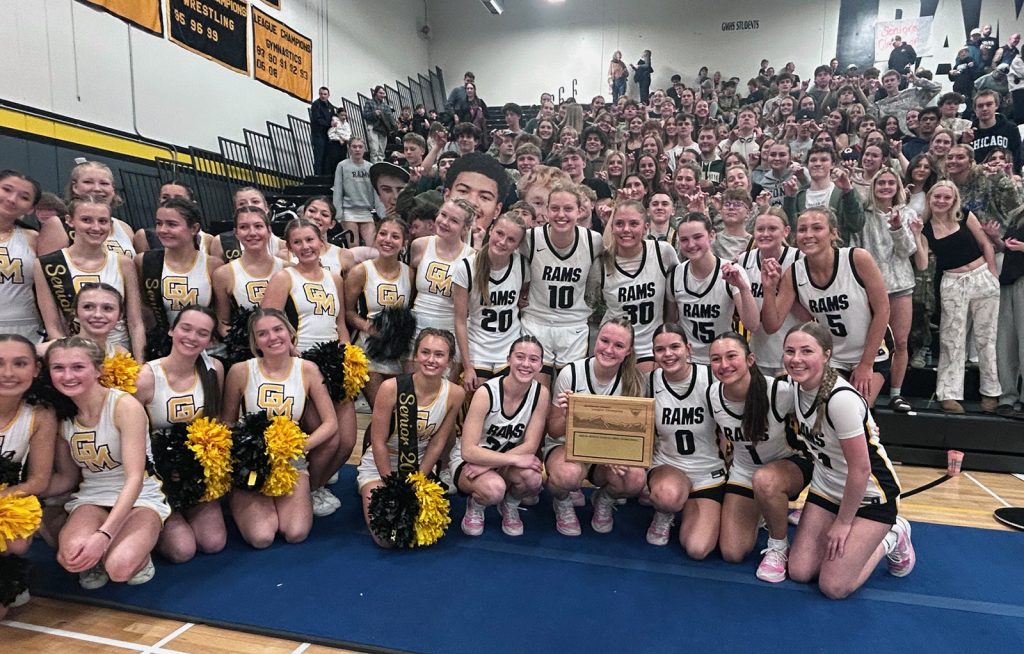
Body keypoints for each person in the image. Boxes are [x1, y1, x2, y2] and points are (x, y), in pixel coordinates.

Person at [783, 322, 914, 600]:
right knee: (800, 571)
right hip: (827, 489)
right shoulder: (792, 386)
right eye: (790, 351)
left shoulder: (840, 399)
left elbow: (861, 469)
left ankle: (894, 535)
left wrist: (843, 523)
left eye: (806, 351)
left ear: (827, 355)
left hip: (869, 496)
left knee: (833, 587)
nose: (796, 359)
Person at [46, 337, 170, 588]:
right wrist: (18, 491)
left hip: (139, 497)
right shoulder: (62, 416)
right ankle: (102, 551)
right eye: (58, 368)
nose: (68, 375)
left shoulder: (124, 406)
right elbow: (68, 478)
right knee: (69, 557)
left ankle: (137, 554)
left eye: (78, 367)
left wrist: (104, 535)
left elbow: (135, 478)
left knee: (119, 569)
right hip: (92, 497)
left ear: (98, 370)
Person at [221, 309, 338, 547]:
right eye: (262, 334)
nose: (272, 337)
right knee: (261, 537)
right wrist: (246, 455)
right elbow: (227, 422)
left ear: (290, 332)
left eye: (278, 329)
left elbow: (330, 423)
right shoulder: (240, 371)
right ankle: (238, 499)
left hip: (291, 461)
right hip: (251, 465)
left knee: (296, 533)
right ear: (255, 342)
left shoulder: (307, 369)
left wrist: (297, 447)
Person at [262, 219, 353, 515]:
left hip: (335, 364)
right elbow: (269, 322)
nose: (305, 247)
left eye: (310, 240)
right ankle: (308, 491)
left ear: (321, 241)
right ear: (289, 248)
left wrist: (348, 358)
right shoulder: (284, 278)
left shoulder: (334, 277)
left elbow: (340, 324)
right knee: (329, 437)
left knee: (348, 440)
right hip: (303, 367)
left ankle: (316, 484)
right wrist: (293, 355)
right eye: (298, 242)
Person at [708, 332, 813, 580]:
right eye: (716, 359)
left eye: (732, 356)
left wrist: (864, 423)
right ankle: (766, 511)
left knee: (766, 480)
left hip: (789, 466)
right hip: (744, 470)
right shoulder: (713, 395)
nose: (724, 365)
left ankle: (779, 545)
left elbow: (821, 407)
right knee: (732, 552)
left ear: (750, 359)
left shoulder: (778, 391)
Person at [761, 207, 892, 406]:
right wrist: (769, 289)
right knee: (825, 412)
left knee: (857, 410)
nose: (808, 235)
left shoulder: (857, 259)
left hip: (871, 352)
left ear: (833, 233)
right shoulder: (794, 272)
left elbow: (883, 310)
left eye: (817, 228)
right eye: (803, 229)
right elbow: (771, 325)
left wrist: (866, 364)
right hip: (832, 357)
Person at [356, 329, 464, 547]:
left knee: (420, 534)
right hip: (380, 468)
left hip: (419, 466)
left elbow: (438, 443)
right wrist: (392, 485)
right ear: (415, 355)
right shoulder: (390, 388)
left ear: (449, 361)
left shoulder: (455, 393)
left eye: (439, 354)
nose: (431, 360)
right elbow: (377, 442)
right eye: (425, 352)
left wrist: (418, 482)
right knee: (386, 538)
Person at [134, 306, 225, 563]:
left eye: (202, 333)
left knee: (213, 542)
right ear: (172, 330)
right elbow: (130, 435)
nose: (192, 337)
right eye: (186, 328)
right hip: (157, 474)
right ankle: (148, 521)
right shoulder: (146, 377)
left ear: (209, 340)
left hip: (194, 472)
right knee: (182, 551)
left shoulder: (214, 370)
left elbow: (216, 423)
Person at [543, 319, 646, 536]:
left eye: (618, 346)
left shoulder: (634, 381)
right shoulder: (571, 373)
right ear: (595, 341)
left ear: (628, 352)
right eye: (604, 341)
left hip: (606, 454)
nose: (609, 349)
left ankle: (604, 498)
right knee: (568, 475)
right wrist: (568, 415)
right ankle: (561, 500)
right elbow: (553, 430)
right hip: (568, 448)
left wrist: (614, 454)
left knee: (635, 478)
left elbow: (633, 438)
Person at [910, 181, 1001, 414]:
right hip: (953, 282)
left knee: (986, 338)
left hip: (982, 277)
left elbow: (985, 243)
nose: (941, 201)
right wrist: (916, 234)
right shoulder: (926, 227)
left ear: (954, 200)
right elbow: (921, 263)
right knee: (952, 338)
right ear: (930, 199)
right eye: (937, 197)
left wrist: (992, 274)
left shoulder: (964, 216)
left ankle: (990, 392)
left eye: (946, 198)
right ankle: (949, 393)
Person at [455, 336, 549, 537]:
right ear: (508, 359)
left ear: (541, 365)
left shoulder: (541, 393)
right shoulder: (486, 392)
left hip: (497, 461)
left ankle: (510, 504)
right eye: (520, 357)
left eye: (533, 359)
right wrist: (509, 460)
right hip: (470, 463)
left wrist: (493, 464)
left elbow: (531, 444)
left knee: (534, 478)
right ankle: (476, 504)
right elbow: (468, 450)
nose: (526, 364)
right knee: (494, 489)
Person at [643, 323, 723, 557]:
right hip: (669, 465)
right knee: (668, 497)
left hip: (708, 471)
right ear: (654, 353)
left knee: (698, 549)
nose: (668, 354)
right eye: (660, 349)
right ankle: (666, 510)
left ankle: (691, 505)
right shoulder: (649, 382)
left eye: (675, 347)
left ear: (688, 349)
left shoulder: (710, 377)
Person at [35, 196, 146, 360]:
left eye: (103, 221)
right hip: (73, 355)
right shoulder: (47, 265)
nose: (96, 227)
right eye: (86, 220)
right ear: (70, 221)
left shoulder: (124, 263)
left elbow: (135, 323)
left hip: (120, 355)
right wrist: (70, 359)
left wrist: (140, 364)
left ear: (111, 224)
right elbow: (53, 326)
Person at [520, 183, 603, 384]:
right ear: (547, 211)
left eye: (568, 209)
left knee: (567, 397)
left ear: (579, 211)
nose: (561, 215)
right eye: (555, 208)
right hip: (536, 322)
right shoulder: (530, 239)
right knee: (537, 393)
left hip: (573, 325)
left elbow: (596, 284)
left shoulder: (593, 241)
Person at [0, 334, 57, 617]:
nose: (8, 373)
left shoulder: (40, 416)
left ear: (35, 370)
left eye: (19, 363)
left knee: (16, 540)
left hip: (5, 503)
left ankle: (9, 575)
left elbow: (38, 481)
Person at [855, 169, 918, 412]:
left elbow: (908, 251)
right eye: (881, 182)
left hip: (900, 284)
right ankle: (866, 394)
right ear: (873, 186)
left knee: (900, 341)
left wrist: (897, 228)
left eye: (891, 182)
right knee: (869, 342)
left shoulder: (907, 212)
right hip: (869, 287)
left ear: (898, 186)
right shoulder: (863, 213)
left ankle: (896, 394)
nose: (886, 186)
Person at [594, 200, 677, 372]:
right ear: (612, 228)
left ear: (646, 227)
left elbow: (675, 297)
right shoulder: (601, 263)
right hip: (613, 347)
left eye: (633, 224)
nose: (626, 230)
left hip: (650, 346)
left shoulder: (663, 252)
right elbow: (589, 302)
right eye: (619, 224)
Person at [668, 213, 760, 364]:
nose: (691, 244)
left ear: (712, 235)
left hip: (722, 360)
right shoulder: (676, 274)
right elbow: (671, 322)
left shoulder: (732, 271)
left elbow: (753, 324)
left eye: (697, 237)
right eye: (684, 239)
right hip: (688, 361)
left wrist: (743, 288)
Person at [453, 212, 528, 394]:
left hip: (509, 346)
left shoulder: (522, 265)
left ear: (518, 245)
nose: (503, 242)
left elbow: (525, 291)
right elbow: (460, 321)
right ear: (491, 230)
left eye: (511, 239)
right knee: (478, 402)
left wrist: (522, 299)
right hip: (478, 347)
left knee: (506, 402)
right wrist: (468, 366)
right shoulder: (466, 267)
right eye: (500, 234)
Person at [345, 218, 413, 406]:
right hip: (368, 349)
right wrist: (372, 329)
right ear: (375, 237)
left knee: (397, 415)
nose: (387, 240)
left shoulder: (410, 274)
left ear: (404, 243)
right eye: (383, 234)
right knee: (381, 412)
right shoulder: (360, 272)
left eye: (395, 236)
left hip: (398, 352)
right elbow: (348, 313)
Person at [136, 198, 221, 340]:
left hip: (207, 347)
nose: (162, 230)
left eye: (171, 224)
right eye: (159, 223)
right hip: (163, 346)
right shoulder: (144, 261)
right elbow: (144, 307)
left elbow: (221, 314)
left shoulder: (213, 265)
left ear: (194, 229)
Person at [409, 199, 476, 369]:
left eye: (454, 221)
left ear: (465, 228)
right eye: (443, 215)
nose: (445, 222)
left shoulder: (473, 258)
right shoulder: (419, 245)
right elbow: (409, 291)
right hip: (416, 327)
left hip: (451, 331)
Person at [739, 208, 804, 376]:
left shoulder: (799, 259)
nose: (765, 234)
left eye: (772, 229)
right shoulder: (744, 260)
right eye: (760, 229)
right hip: (758, 351)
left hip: (793, 353)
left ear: (786, 231)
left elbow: (809, 315)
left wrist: (781, 288)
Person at [212, 206, 285, 338]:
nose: (252, 233)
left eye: (258, 226)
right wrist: (247, 346)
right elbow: (223, 323)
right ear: (236, 233)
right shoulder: (223, 274)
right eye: (244, 227)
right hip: (245, 351)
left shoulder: (287, 268)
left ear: (269, 231)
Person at [0, 170, 45, 342]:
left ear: (31, 209)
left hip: (24, 331)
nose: (12, 199)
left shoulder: (34, 238)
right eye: (7, 189)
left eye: (24, 197)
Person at [64, 161, 136, 258]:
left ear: (113, 189)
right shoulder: (59, 224)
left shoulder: (125, 228)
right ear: (75, 187)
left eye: (104, 183)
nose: (97, 188)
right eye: (88, 182)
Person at [333, 139, 381, 248]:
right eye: (354, 147)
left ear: (364, 149)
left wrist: (381, 213)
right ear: (349, 148)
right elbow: (338, 190)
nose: (357, 149)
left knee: (373, 246)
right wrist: (338, 214)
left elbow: (376, 191)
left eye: (360, 146)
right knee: (354, 246)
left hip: (366, 211)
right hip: (349, 212)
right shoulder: (342, 166)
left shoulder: (370, 167)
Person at [363, 86, 396, 163]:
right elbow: (365, 115)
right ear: (375, 93)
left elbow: (390, 117)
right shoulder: (369, 102)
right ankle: (374, 168)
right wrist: (374, 113)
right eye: (380, 93)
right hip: (372, 126)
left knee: (382, 150)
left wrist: (393, 126)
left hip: (383, 129)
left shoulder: (386, 105)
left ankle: (380, 167)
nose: (382, 95)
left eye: (383, 93)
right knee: (374, 149)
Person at [310, 86, 335, 175]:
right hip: (318, 135)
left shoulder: (331, 107)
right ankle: (317, 177)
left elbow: (333, 119)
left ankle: (324, 177)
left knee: (326, 157)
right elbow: (317, 119)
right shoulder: (316, 104)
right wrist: (329, 124)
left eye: (325, 94)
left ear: (328, 95)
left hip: (327, 135)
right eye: (321, 94)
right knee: (318, 157)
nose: (323, 96)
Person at [325, 106, 351, 176]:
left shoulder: (346, 124)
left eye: (345, 115)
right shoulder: (335, 122)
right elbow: (331, 133)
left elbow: (348, 133)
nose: (344, 117)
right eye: (342, 115)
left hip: (344, 143)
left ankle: (342, 174)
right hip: (335, 143)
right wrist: (339, 139)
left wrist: (345, 139)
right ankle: (334, 175)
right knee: (335, 159)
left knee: (343, 159)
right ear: (338, 115)